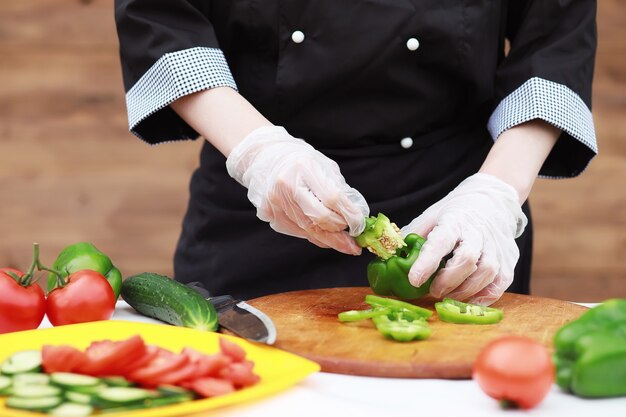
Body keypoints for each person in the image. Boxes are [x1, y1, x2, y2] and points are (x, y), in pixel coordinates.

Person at [114, 0, 597, 305]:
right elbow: (160, 17)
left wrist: (494, 196)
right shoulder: (260, 166)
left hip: (454, 219)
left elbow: (555, 42)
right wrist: (260, 152)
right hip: (257, 217)